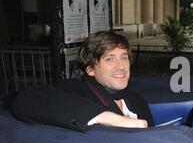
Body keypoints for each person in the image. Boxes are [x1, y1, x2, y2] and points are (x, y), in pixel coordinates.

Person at [9, 31, 153, 132]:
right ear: (90, 69)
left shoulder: (137, 100)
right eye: (109, 59)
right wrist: (107, 118)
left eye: (124, 57)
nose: (121, 66)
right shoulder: (76, 91)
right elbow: (26, 99)